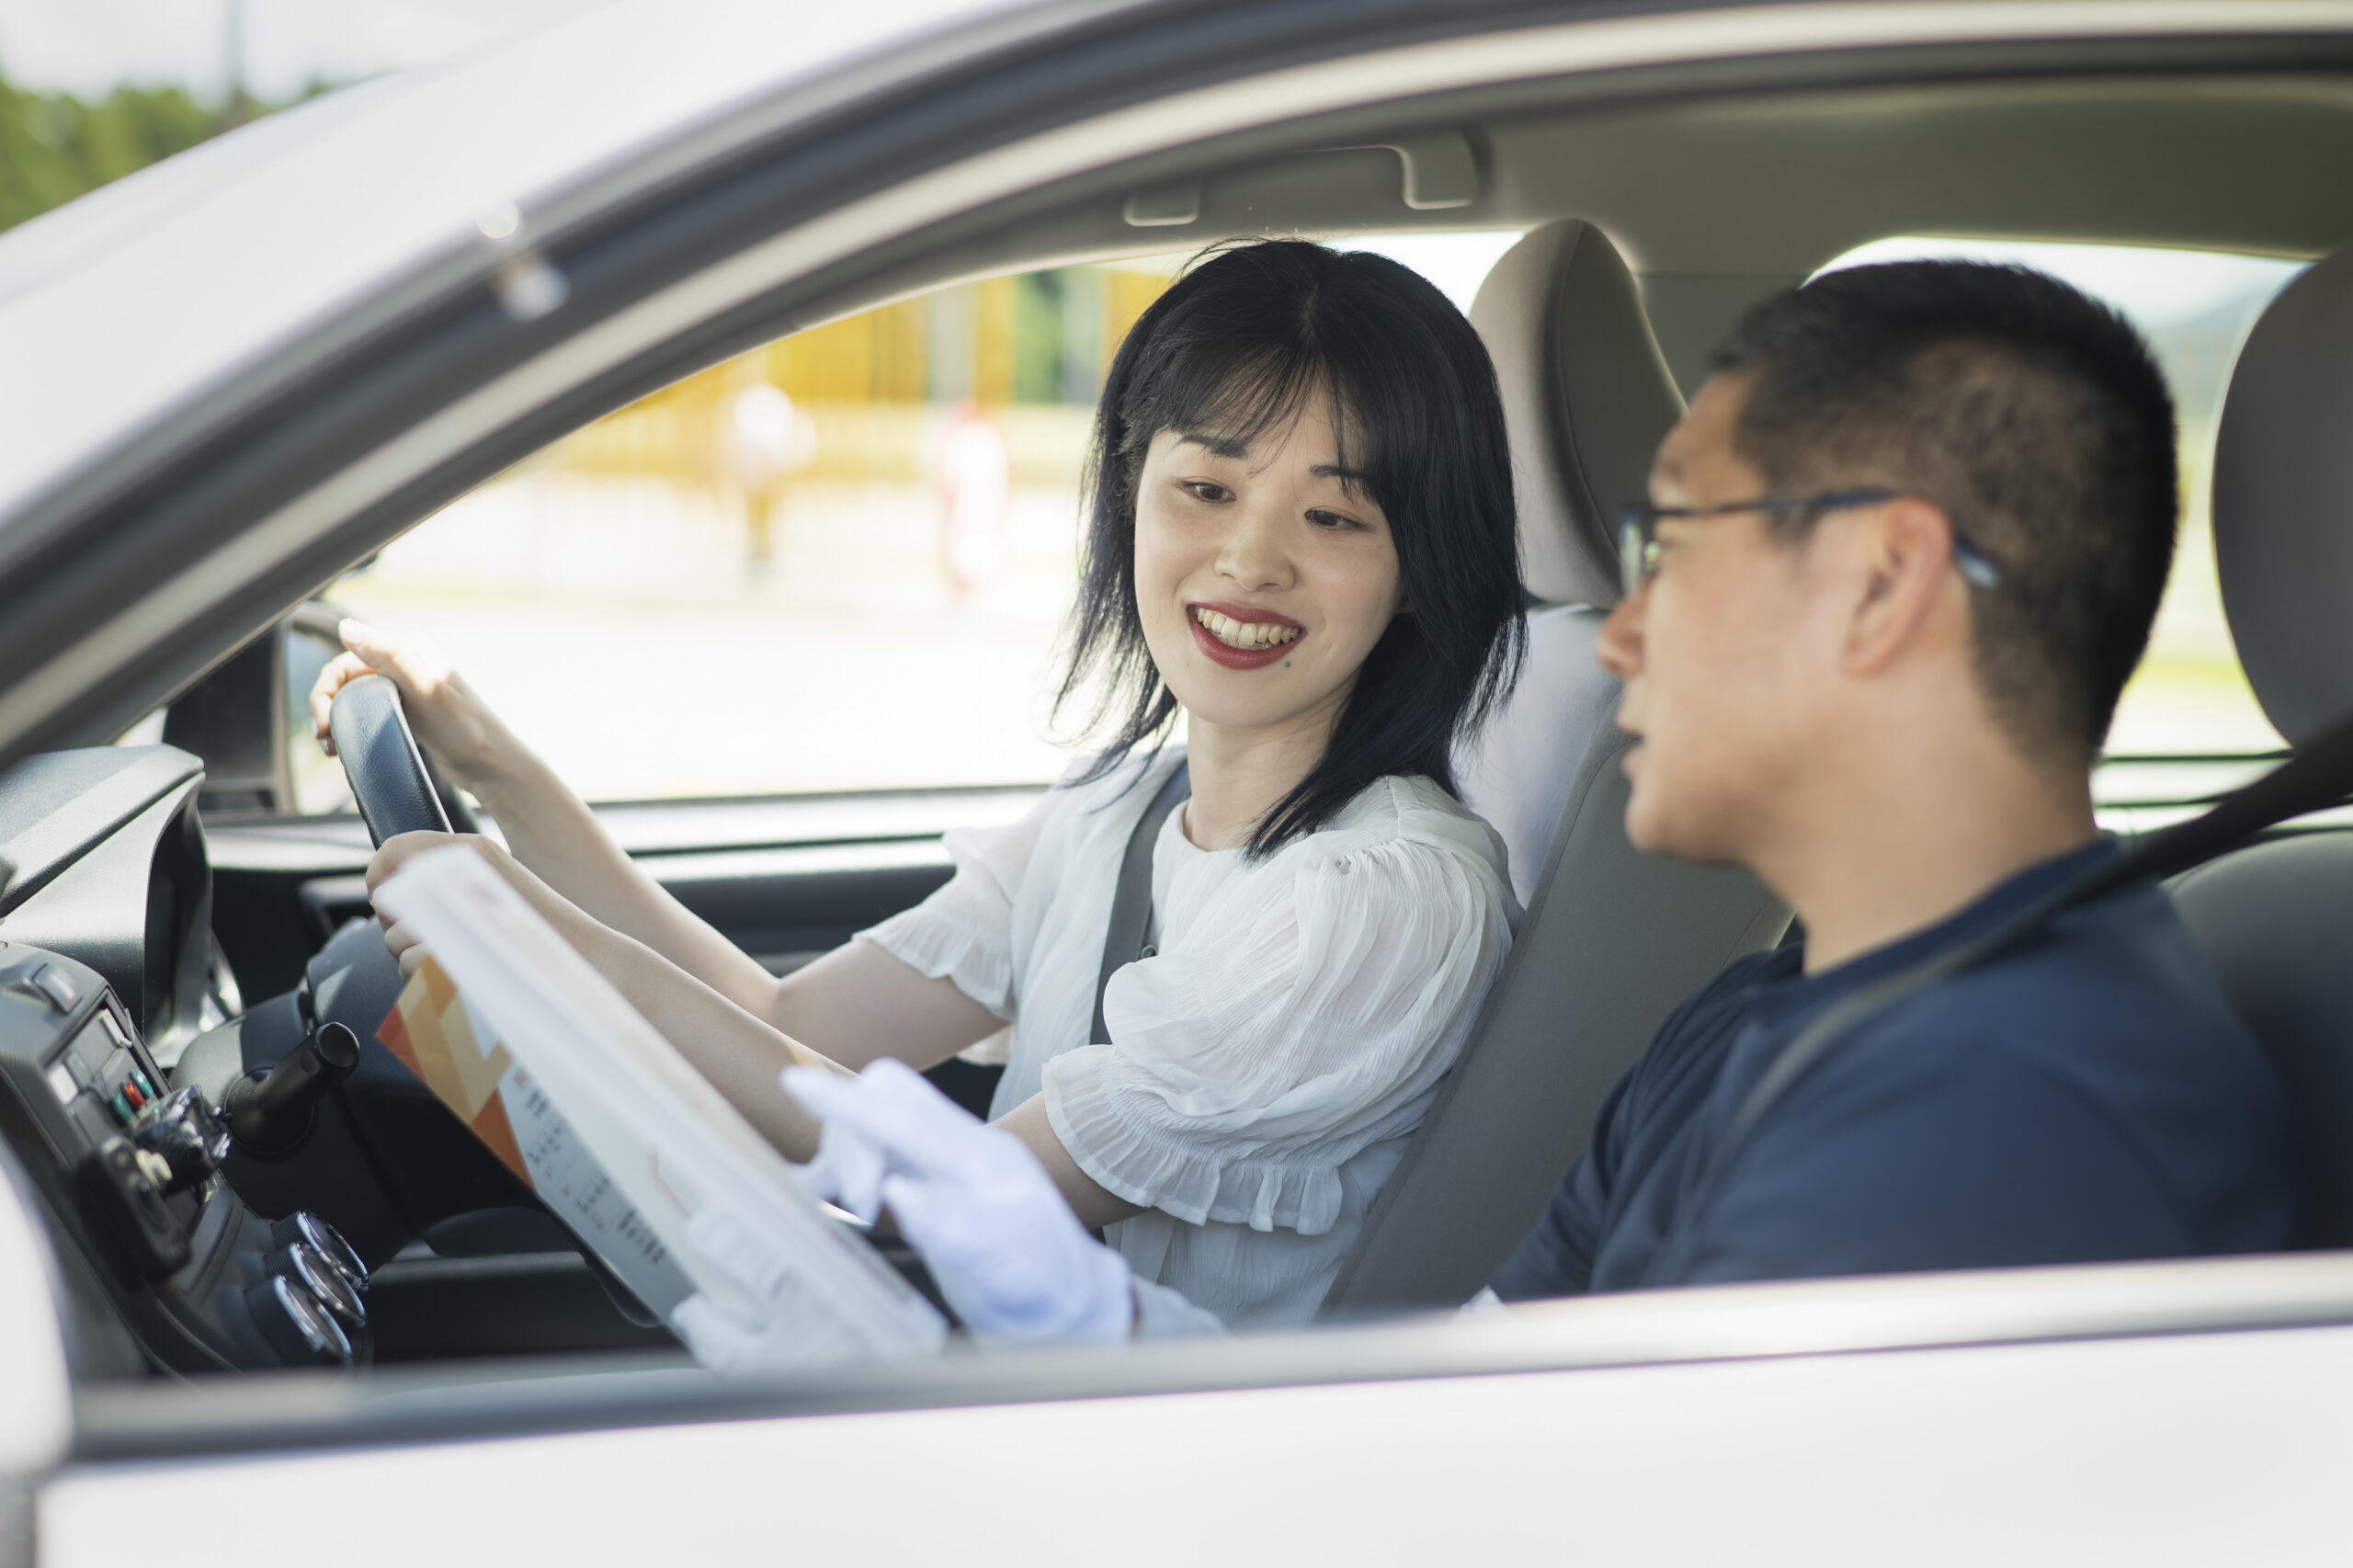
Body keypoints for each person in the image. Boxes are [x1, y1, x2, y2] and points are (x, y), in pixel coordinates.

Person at [787, 257, 2297, 1339]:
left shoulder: (1997, 1110)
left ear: (1880, 586)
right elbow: (1482, 1414)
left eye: (1676, 549)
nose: (1619, 637)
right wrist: (1112, 1333)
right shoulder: (1760, 1015)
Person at [317, 240, 1527, 1329]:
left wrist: (524, 934)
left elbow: (969, 1202)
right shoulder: (1120, 809)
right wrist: (498, 772)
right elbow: (790, 1029)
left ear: (1419, 569)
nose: (1250, 559)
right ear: (1128, 493)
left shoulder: (1381, 898)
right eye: (1206, 490)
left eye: (1333, 516)